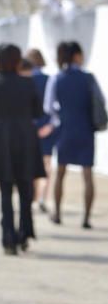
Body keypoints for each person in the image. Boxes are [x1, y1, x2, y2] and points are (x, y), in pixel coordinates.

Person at [0, 44, 46, 255]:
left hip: (0, 140)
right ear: (17, 60)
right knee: (25, 188)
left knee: (5, 191)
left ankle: (8, 238)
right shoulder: (28, 83)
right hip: (25, 138)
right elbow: (38, 111)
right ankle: (25, 233)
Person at [44, 41, 105, 229]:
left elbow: (48, 106)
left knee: (60, 172)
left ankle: (57, 213)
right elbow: (100, 100)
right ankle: (86, 218)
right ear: (77, 56)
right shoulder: (89, 78)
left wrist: (60, 115)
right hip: (86, 129)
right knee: (88, 175)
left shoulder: (57, 78)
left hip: (65, 129)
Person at [26, 48, 57, 213]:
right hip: (47, 127)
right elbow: (55, 105)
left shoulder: (26, 80)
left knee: (31, 165)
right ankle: (43, 199)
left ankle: (32, 198)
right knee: (46, 164)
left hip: (30, 128)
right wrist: (51, 125)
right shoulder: (50, 79)